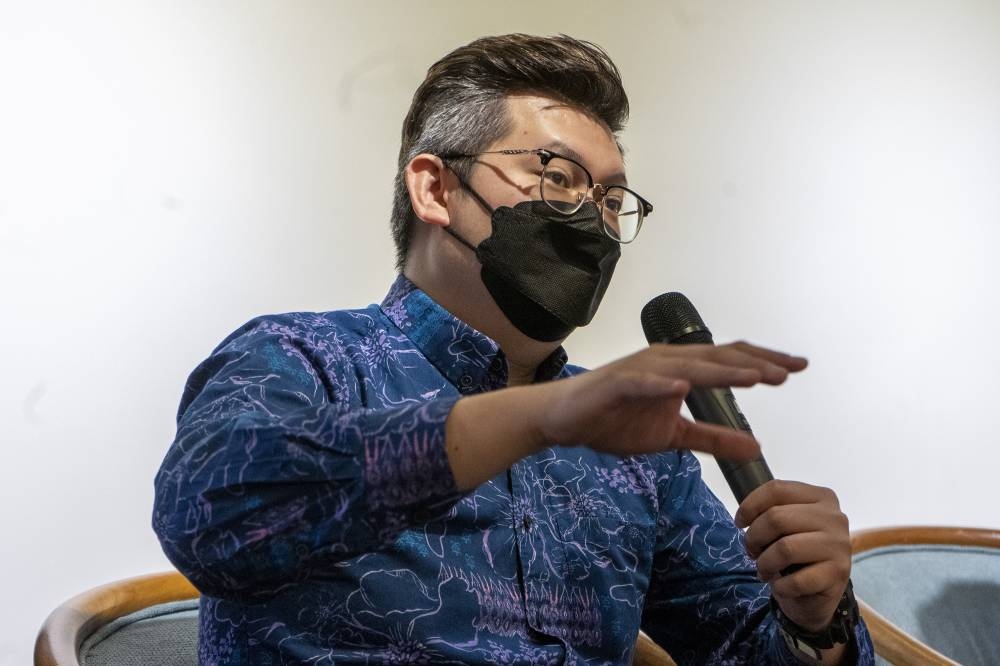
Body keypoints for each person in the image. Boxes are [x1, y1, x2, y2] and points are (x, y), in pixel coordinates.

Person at [153, 34, 875, 665]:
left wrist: (816, 622)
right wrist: (535, 418)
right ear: (436, 188)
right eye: (558, 178)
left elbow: (738, 643)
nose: (592, 218)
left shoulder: (638, 450)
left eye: (613, 201)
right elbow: (207, 516)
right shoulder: (300, 359)